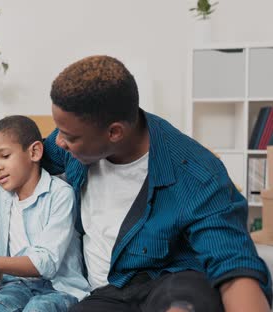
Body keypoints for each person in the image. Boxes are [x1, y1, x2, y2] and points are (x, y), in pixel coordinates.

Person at [43, 55, 272, 312]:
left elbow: (235, 267)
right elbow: (26, 156)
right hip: (109, 293)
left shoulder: (197, 173)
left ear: (114, 132)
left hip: (172, 282)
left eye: (69, 137)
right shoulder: (75, 139)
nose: (59, 142)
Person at [0, 115, 90, 312]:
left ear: (34, 152)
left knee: (38, 308)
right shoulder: (1, 193)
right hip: (15, 286)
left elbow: (46, 263)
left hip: (59, 288)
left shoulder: (61, 193)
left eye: (5, 156)